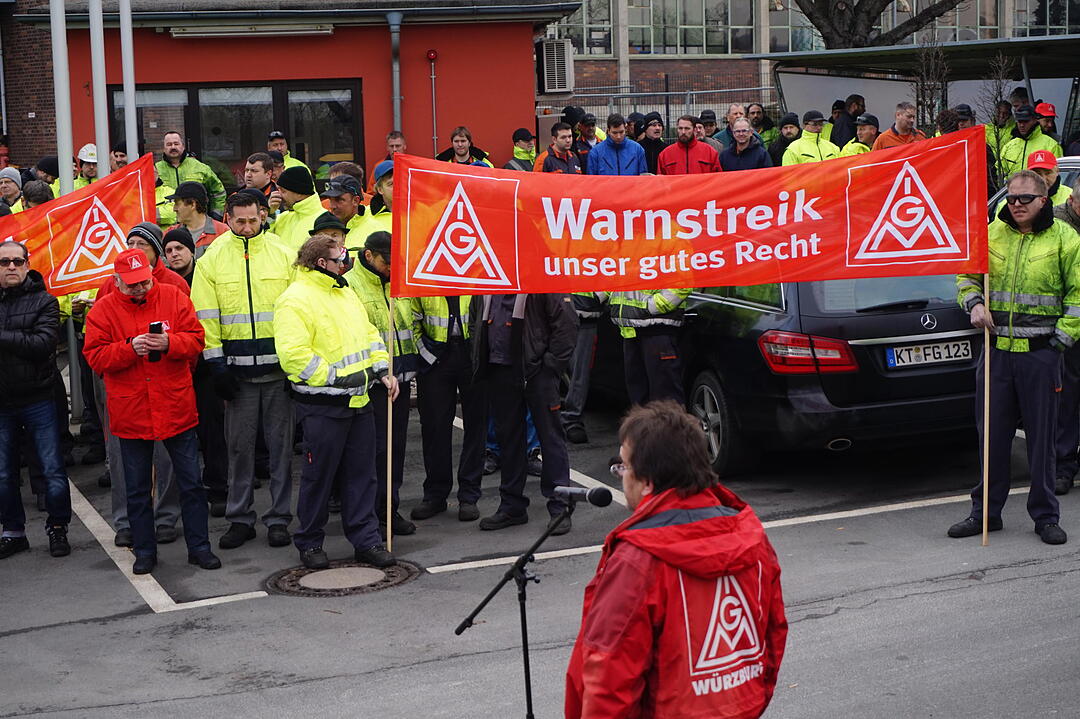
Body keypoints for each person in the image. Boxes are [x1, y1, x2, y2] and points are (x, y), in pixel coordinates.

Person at [565, 400, 787, 719]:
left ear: (648, 482)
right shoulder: (752, 538)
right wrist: (748, 701)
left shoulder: (637, 560)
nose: (621, 476)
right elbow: (771, 635)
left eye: (623, 467)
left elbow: (609, 677)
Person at [951, 170, 1080, 546]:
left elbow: (1078, 296)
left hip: (1041, 355)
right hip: (996, 354)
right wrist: (973, 303)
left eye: (1025, 198)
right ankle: (984, 513)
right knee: (991, 437)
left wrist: (1060, 342)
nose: (1016, 204)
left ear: (1044, 200)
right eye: (1011, 197)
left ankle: (1045, 516)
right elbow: (966, 277)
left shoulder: (1066, 240)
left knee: (1042, 442)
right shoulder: (990, 234)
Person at [84, 248, 220, 574]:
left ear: (150, 273)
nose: (139, 289)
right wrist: (130, 348)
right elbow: (96, 357)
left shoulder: (174, 296)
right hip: (132, 412)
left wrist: (169, 344)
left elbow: (196, 341)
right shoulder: (103, 310)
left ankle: (199, 547)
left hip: (175, 407)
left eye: (143, 282)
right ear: (117, 282)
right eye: (131, 285)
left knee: (191, 484)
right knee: (136, 490)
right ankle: (145, 551)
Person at [274, 233, 397, 569]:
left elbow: (370, 333)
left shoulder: (344, 291)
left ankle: (366, 539)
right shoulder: (295, 300)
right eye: (340, 256)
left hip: (359, 403)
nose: (346, 261)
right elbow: (295, 357)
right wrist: (337, 378)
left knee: (363, 475)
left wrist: (382, 369)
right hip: (324, 406)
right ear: (321, 263)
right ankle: (310, 543)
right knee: (319, 478)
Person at [192, 191, 297, 551]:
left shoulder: (284, 255)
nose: (248, 227)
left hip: (280, 373)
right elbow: (204, 317)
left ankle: (279, 518)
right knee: (238, 449)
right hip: (236, 376)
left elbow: (297, 312)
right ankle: (240, 518)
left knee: (281, 450)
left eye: (254, 220)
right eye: (240, 221)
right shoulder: (211, 260)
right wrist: (217, 366)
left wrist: (294, 365)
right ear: (228, 217)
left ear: (263, 215)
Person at [469, 292, 577, 533]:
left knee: (551, 439)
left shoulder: (540, 274)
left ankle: (560, 508)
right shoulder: (490, 277)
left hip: (536, 372)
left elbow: (566, 322)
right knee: (509, 440)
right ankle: (512, 506)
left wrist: (550, 367)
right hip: (500, 370)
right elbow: (476, 318)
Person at [0, 241, 72, 560]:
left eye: (17, 261)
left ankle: (57, 528)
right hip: (1, 402)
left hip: (39, 398)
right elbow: (28, 342)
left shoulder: (46, 301)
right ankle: (13, 532)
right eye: (4, 262)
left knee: (52, 469)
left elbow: (43, 344)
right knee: (3, 474)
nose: (11, 267)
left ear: (28, 265)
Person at [345, 230, 420, 537]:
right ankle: (367, 515)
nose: (391, 267)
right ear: (368, 256)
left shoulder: (398, 280)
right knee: (371, 453)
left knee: (395, 450)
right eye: (385, 262)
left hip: (399, 379)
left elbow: (411, 322)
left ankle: (389, 509)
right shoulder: (351, 286)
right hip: (371, 384)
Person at [161, 227, 228, 517]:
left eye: (180, 249)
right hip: (176, 366)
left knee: (212, 430)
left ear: (191, 251)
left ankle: (219, 488)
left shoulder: (205, 276)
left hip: (204, 366)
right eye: (169, 250)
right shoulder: (163, 285)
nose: (174, 254)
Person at [410, 289, 486, 523]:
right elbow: (411, 320)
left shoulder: (477, 271)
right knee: (434, 428)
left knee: (476, 427)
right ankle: (435, 494)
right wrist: (426, 354)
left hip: (471, 354)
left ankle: (469, 496)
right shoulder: (426, 272)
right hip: (435, 358)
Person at [609, 284, 691, 406]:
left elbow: (683, 284)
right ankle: (644, 425)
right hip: (631, 331)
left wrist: (650, 306)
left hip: (657, 331)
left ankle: (668, 425)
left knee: (665, 398)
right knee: (639, 398)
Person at [1054, 181, 1080, 495]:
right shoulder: (1058, 225)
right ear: (1072, 200)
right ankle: (1063, 466)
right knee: (1067, 400)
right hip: (1069, 326)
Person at [155, 132, 226, 214]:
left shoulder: (200, 167)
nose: (173, 147)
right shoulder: (156, 170)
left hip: (196, 221)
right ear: (164, 148)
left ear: (183, 146)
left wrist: (217, 214)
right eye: (169, 144)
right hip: (166, 223)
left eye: (176, 143)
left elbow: (218, 191)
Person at [168, 182, 228, 256]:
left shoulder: (223, 232)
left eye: (177, 204)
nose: (174, 209)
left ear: (193, 204)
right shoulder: (170, 233)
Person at [271, 166, 325, 250]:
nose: (279, 195)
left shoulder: (324, 220)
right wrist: (269, 213)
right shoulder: (281, 218)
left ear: (299, 193)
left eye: (283, 191)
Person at [1000, 105, 1063, 174]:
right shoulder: (1009, 146)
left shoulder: (1051, 145)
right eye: (1019, 121)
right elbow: (1000, 174)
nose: (1022, 125)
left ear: (1035, 120)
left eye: (1025, 121)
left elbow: (1058, 174)